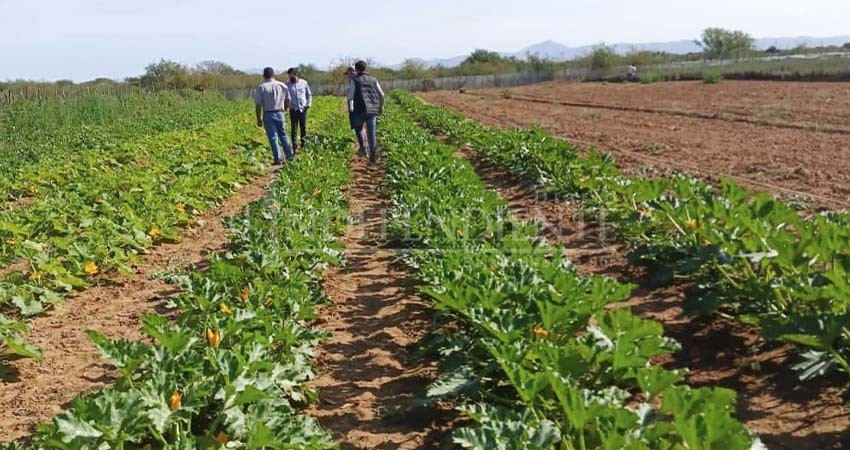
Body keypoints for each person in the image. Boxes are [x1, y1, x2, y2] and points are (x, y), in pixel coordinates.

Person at [348, 60, 385, 163]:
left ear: (357, 69)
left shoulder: (355, 80)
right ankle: (373, 153)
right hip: (372, 109)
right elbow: (381, 94)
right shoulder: (374, 80)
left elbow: (350, 96)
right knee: (371, 132)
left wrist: (351, 107)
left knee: (358, 128)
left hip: (359, 109)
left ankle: (363, 148)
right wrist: (381, 106)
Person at [254, 67, 294, 165]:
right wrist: (285, 108)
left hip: (268, 113)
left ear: (264, 76)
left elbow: (258, 104)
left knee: (273, 137)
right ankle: (289, 156)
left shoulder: (261, 87)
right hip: (280, 113)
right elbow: (288, 99)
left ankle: (278, 159)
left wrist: (258, 118)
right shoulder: (282, 85)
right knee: (283, 135)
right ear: (273, 75)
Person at [286, 67, 312, 150]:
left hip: (303, 109)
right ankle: (294, 147)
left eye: (292, 75)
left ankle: (304, 145)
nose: (290, 77)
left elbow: (309, 95)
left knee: (303, 128)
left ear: (296, 74)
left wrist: (308, 104)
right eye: (289, 76)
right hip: (293, 109)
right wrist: (288, 105)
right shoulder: (287, 85)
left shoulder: (304, 83)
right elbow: (284, 97)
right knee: (294, 128)